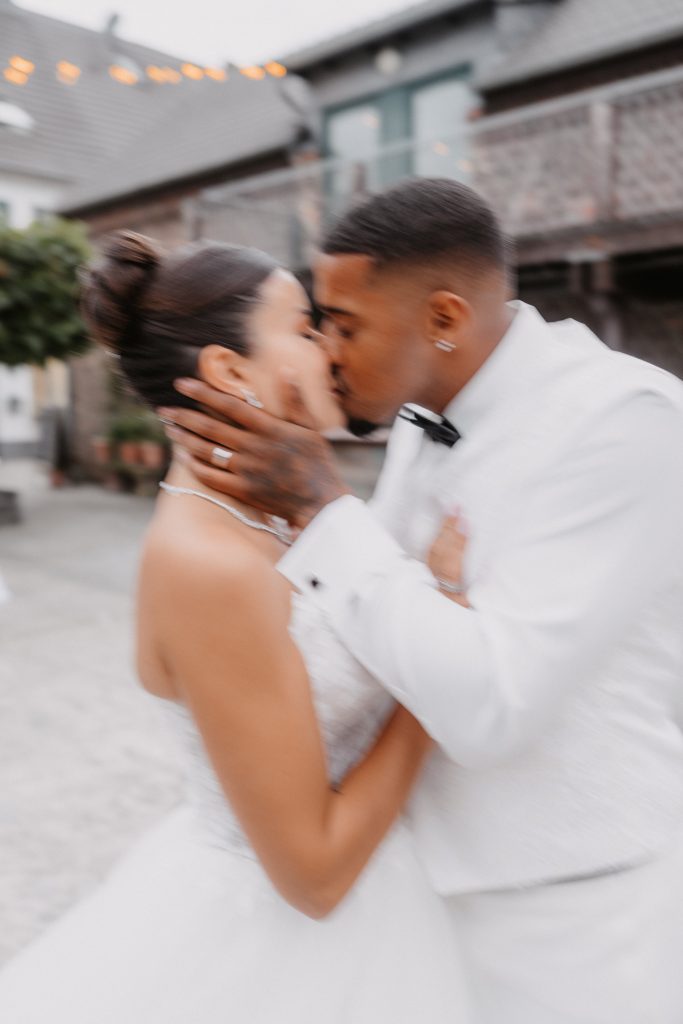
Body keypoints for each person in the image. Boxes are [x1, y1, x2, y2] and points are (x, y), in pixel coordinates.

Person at [163, 177, 683, 1024]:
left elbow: (490, 709)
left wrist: (325, 512)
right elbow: (383, 621)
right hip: (406, 898)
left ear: (442, 320)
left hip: (571, 914)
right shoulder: (418, 412)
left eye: (345, 325)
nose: (327, 351)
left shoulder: (625, 419)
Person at [0, 233, 474, 1022]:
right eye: (302, 327)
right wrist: (439, 653)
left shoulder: (285, 518)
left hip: (396, 896)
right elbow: (312, 874)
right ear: (227, 372)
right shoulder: (208, 566)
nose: (329, 346)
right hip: (284, 952)